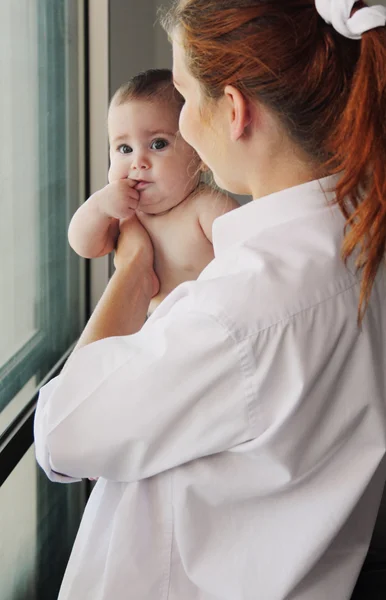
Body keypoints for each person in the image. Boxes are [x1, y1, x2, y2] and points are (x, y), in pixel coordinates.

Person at [34, 1, 386, 598]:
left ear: (233, 110)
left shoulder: (242, 311)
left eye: (183, 96)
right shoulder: (356, 235)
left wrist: (132, 270)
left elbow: (61, 434)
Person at [68, 69, 238, 315]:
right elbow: (85, 246)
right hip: (155, 334)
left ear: (199, 153)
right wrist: (99, 207)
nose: (138, 162)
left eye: (158, 144)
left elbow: (250, 261)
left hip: (208, 328)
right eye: (124, 148)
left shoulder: (207, 208)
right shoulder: (126, 215)